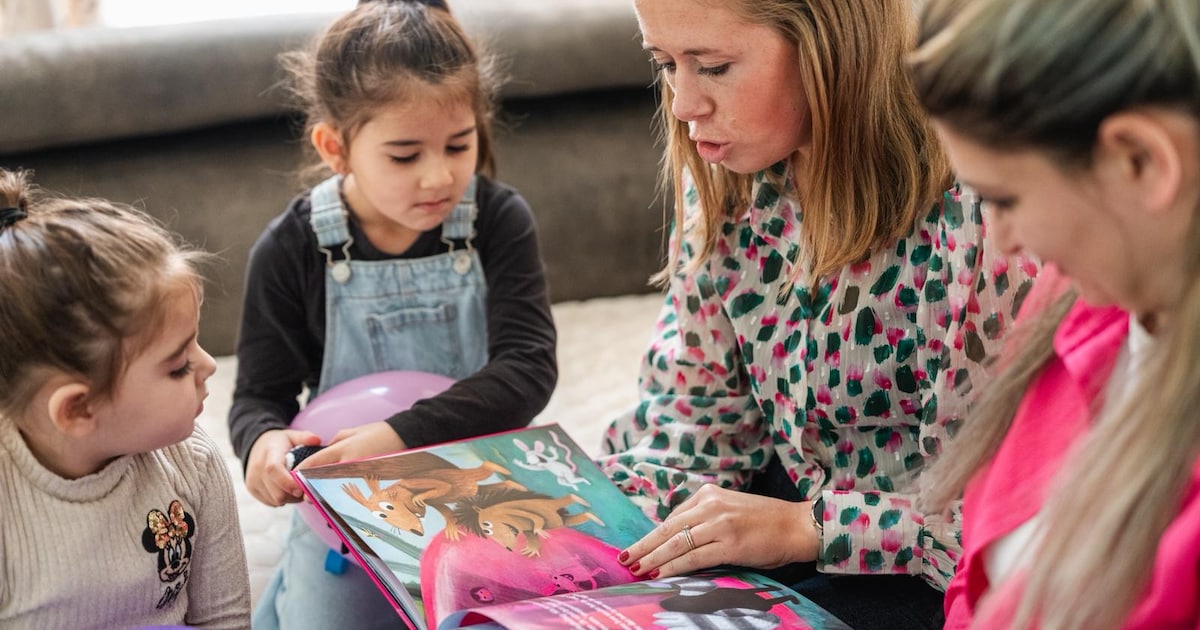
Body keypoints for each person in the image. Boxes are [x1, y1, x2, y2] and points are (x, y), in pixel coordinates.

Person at [596, 1, 1038, 628]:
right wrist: (592, 506)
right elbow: (695, 415)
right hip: (786, 500)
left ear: (830, 46)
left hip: (917, 563)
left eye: (714, 66)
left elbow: (1003, 523)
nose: (683, 104)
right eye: (664, 64)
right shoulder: (727, 171)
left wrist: (809, 528)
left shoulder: (978, 212)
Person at [227, 0, 557, 627]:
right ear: (336, 147)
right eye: (405, 156)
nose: (440, 176)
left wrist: (395, 439)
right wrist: (261, 444)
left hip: (484, 501)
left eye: (460, 145)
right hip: (348, 520)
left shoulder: (498, 220)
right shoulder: (290, 247)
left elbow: (528, 371)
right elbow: (257, 395)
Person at [908, 0, 1200, 628]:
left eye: (1002, 197)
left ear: (1141, 161)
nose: (1001, 240)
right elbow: (976, 573)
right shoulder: (1067, 297)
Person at [0, 168, 251, 628]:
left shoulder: (193, 464)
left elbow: (225, 618)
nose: (209, 365)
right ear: (78, 408)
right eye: (177, 366)